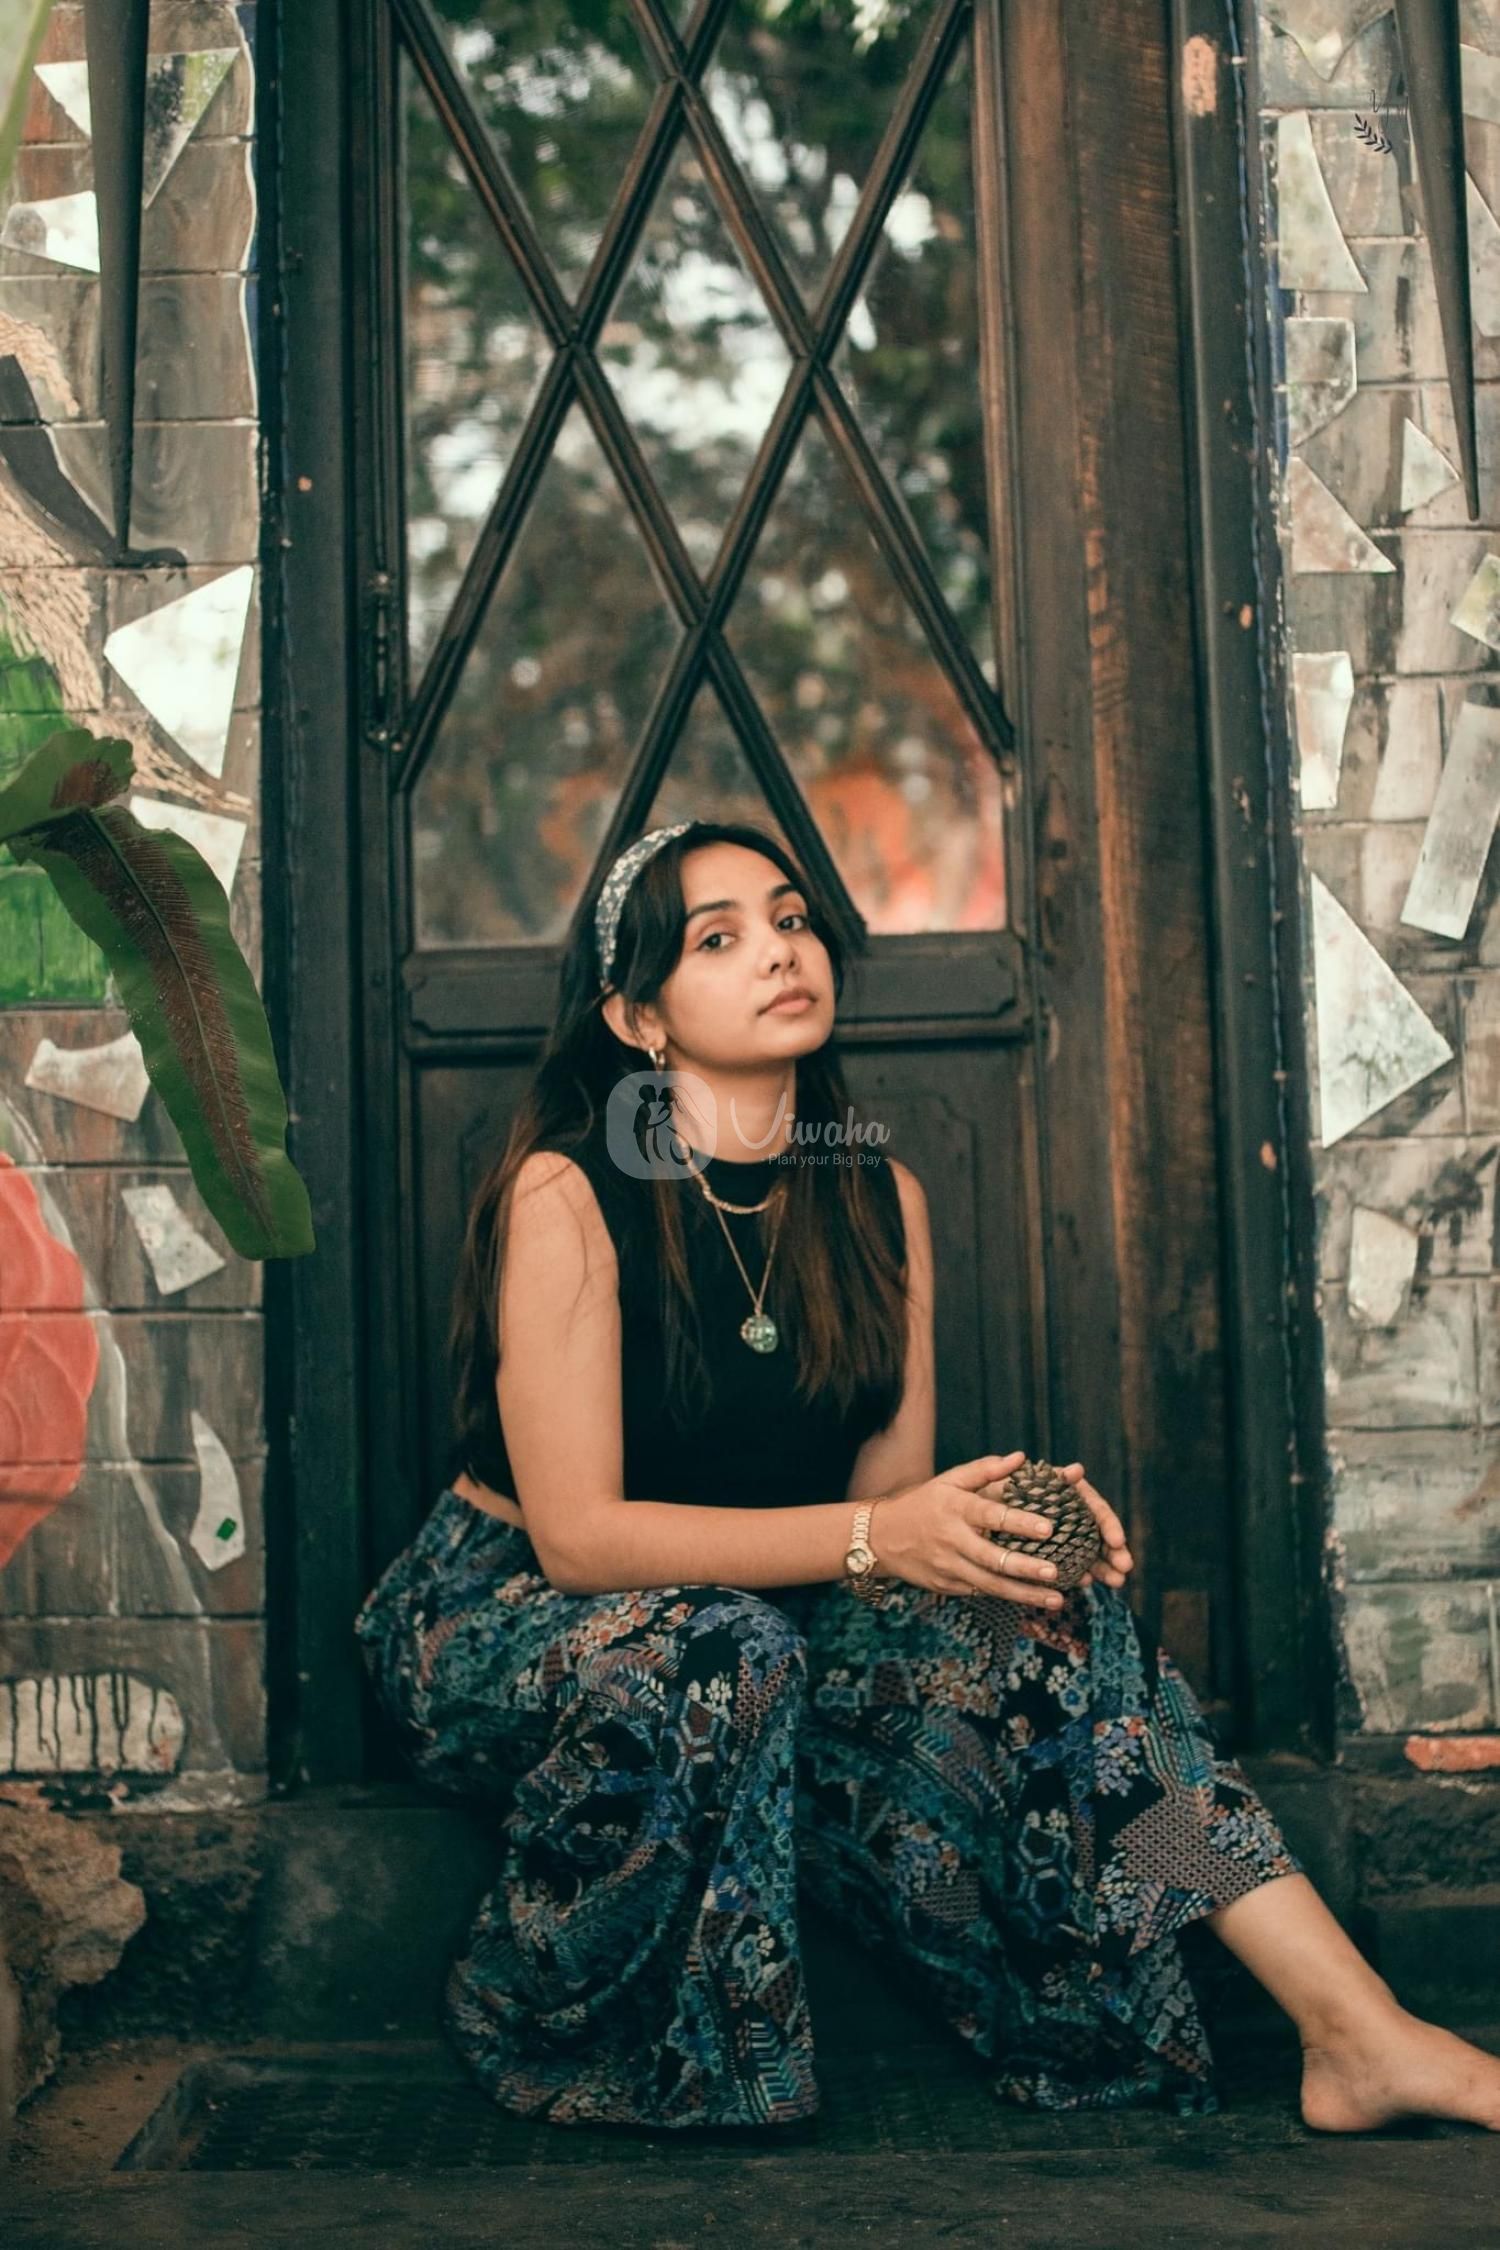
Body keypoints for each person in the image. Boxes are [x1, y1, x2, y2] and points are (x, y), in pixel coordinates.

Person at [355, 819, 1500, 2135]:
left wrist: (993, 1532)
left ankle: (1355, 2030)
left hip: (771, 1627)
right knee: (722, 1646)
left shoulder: (876, 1197)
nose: (778, 951)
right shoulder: (567, 1191)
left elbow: (883, 1521)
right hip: (505, 1615)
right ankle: (552, 2006)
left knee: (1058, 1635)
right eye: (718, 938)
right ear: (638, 1018)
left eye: (791, 918)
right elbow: (580, 1540)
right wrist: (879, 1535)